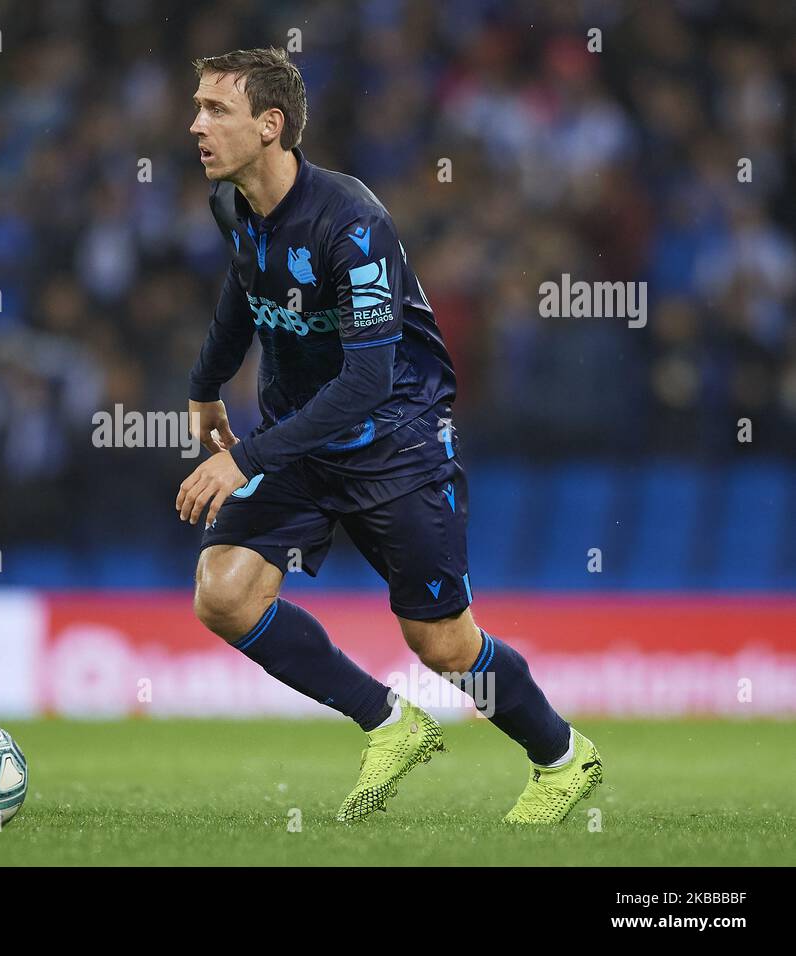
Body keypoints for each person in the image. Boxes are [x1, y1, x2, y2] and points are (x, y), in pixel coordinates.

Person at [177, 47, 602, 823]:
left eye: (215, 110)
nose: (195, 125)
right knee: (224, 593)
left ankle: (563, 759)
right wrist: (206, 386)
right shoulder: (233, 205)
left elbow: (367, 383)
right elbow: (246, 288)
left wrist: (244, 459)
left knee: (439, 644)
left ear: (270, 126)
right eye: (198, 107)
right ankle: (387, 722)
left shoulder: (352, 222)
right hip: (303, 438)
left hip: (394, 442)